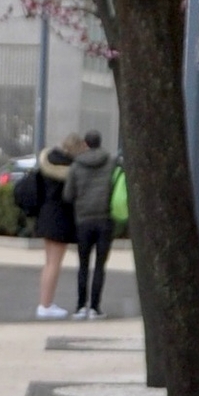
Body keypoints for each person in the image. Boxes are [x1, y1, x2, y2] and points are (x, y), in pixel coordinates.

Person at [66, 131, 119, 319]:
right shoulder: (111, 162)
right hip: (105, 220)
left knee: (83, 265)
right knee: (99, 265)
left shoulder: (76, 165)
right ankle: (96, 307)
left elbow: (68, 194)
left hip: (83, 221)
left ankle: (81, 307)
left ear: (85, 144)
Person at [22, 145, 78, 320]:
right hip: (59, 220)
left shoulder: (45, 168)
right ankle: (45, 305)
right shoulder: (67, 174)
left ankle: (45, 302)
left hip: (45, 217)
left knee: (49, 263)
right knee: (54, 264)